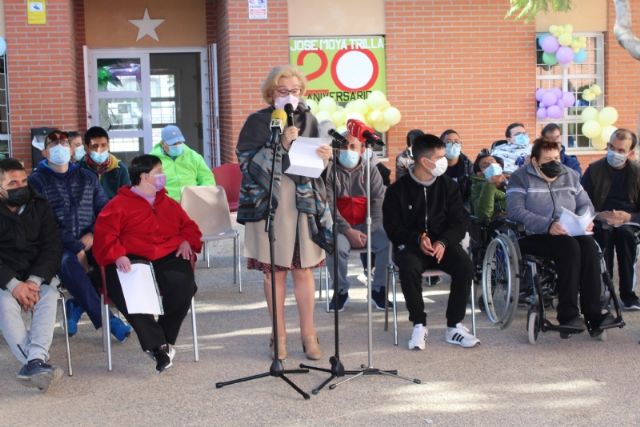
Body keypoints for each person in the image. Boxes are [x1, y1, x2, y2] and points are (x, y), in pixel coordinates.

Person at [236, 65, 332, 361]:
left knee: (303, 270)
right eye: (283, 91)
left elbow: (319, 171)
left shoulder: (311, 120)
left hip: (304, 204)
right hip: (269, 206)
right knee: (274, 273)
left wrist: (326, 158)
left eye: (295, 90)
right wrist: (280, 143)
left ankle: (309, 335)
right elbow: (247, 166)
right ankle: (278, 336)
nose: (290, 96)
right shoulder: (256, 122)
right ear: (271, 94)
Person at [93, 155, 202, 373]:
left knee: (184, 285)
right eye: (158, 172)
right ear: (144, 177)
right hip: (132, 258)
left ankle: (164, 338)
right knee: (128, 289)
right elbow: (104, 236)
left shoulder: (168, 203)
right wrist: (117, 254)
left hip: (167, 254)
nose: (163, 176)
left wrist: (185, 241)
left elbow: (190, 227)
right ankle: (156, 346)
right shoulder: (118, 205)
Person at [27, 130, 132, 342]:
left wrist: (93, 234)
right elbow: (44, 223)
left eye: (64, 143)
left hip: (91, 239)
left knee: (114, 260)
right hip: (56, 245)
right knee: (68, 264)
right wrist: (76, 248)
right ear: (45, 153)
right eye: (54, 144)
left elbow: (105, 211)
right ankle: (108, 321)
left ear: (73, 149)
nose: (60, 147)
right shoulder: (36, 181)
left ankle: (78, 304)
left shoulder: (87, 177)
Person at [507, 138, 615, 332]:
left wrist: (586, 218)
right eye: (548, 159)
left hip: (569, 231)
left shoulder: (571, 175)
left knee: (589, 246)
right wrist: (547, 225)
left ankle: (594, 313)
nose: (554, 163)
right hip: (534, 234)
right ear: (534, 161)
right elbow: (515, 210)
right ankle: (568, 314)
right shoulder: (520, 177)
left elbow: (585, 203)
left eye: (557, 158)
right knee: (569, 247)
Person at [383, 134, 479, 350]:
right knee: (408, 267)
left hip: (443, 246)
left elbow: (460, 221)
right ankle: (419, 324)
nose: (445, 161)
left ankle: (454, 326)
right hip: (412, 247)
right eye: (440, 157)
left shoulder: (448, 186)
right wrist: (416, 238)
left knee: (465, 267)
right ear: (425, 162)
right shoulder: (397, 190)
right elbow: (393, 228)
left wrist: (444, 242)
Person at [0, 159, 63, 391]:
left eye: (24, 181)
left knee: (48, 295)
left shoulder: (39, 205)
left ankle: (33, 363)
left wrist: (34, 281)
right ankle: (36, 362)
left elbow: (52, 246)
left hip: (37, 276)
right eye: (13, 183)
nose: (21, 187)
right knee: (5, 304)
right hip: (4, 279)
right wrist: (13, 284)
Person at [325, 132, 390, 312]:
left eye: (353, 146)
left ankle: (379, 289)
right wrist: (347, 231)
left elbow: (378, 202)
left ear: (361, 149)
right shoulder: (330, 170)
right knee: (335, 246)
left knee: (387, 241)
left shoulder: (371, 170)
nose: (348, 150)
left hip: (368, 225)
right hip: (342, 228)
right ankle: (341, 290)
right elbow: (328, 205)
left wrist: (370, 230)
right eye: (344, 146)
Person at [582, 129, 640, 310]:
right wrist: (599, 215)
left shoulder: (637, 173)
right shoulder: (594, 170)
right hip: (600, 219)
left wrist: (629, 217)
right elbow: (582, 201)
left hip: (629, 221)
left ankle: (628, 296)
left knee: (626, 237)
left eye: (621, 151)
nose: (615, 153)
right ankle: (604, 293)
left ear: (630, 153)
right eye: (611, 147)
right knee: (602, 238)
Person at [150, 125, 215, 202]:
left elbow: (207, 177)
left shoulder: (193, 156)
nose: (177, 146)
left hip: (193, 202)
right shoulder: (152, 160)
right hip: (166, 203)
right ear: (163, 143)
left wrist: (202, 195)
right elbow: (147, 185)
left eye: (180, 142)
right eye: (174, 143)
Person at [78, 126, 131, 199]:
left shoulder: (120, 169)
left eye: (103, 145)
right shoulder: (78, 169)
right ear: (87, 147)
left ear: (108, 145)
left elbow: (126, 198)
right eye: (95, 146)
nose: (100, 150)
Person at [441, 129, 474, 210]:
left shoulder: (468, 165)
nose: (453, 144)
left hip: (463, 207)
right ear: (441, 145)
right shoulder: (435, 165)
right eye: (448, 142)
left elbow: (472, 192)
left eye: (456, 141)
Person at [470, 153, 507, 221]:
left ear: (499, 165)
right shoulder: (476, 187)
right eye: (485, 165)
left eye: (492, 161)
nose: (491, 164)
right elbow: (483, 215)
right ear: (480, 174)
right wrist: (490, 184)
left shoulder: (510, 180)